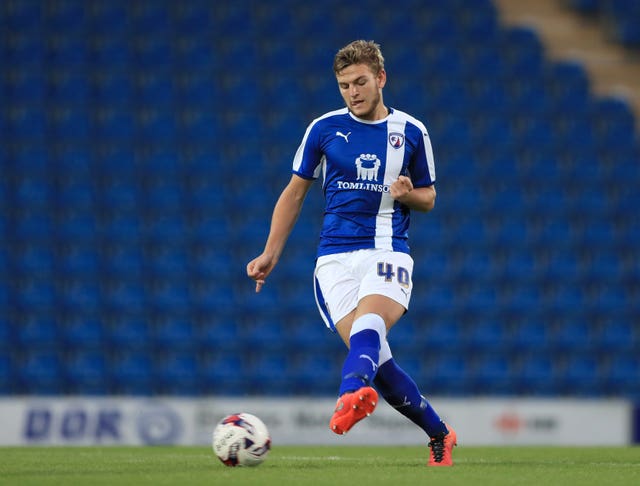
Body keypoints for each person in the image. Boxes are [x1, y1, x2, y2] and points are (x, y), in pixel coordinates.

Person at [246, 40, 457, 466]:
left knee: (371, 325)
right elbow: (294, 193)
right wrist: (271, 252)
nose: (353, 92)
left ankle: (348, 395)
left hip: (388, 250)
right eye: (344, 85)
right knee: (376, 361)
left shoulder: (412, 132)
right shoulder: (323, 129)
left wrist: (407, 194)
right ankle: (440, 433)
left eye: (360, 82)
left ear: (381, 78)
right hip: (334, 259)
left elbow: (429, 197)